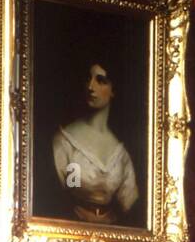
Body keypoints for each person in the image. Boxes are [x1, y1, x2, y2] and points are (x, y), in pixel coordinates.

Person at [52, 62, 139, 224]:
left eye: (101, 81)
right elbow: (71, 190)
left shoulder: (121, 153)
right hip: (75, 227)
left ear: (113, 90)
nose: (91, 87)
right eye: (88, 79)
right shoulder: (69, 141)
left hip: (112, 232)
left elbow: (129, 202)